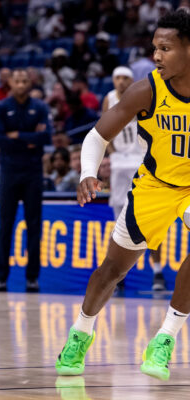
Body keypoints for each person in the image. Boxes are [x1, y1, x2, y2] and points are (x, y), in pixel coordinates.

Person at [55, 10, 190, 382]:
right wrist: (86, 173)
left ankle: (165, 338)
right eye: (154, 48)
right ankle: (80, 333)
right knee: (112, 270)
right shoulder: (148, 88)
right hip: (155, 186)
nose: (156, 56)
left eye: (165, 48)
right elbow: (97, 136)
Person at [0, 68, 53, 292]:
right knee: (5, 226)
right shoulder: (0, 107)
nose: (21, 84)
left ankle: (32, 278)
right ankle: (1, 278)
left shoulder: (40, 107)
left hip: (33, 172)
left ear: (30, 83)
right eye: (17, 80)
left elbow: (46, 137)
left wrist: (16, 135)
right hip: (9, 172)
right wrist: (29, 138)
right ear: (10, 82)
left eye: (24, 80)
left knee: (34, 226)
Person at [105, 65, 166, 291]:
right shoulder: (109, 99)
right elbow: (103, 130)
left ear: (132, 80)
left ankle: (157, 272)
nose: (121, 81)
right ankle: (118, 276)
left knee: (150, 222)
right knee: (119, 220)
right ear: (113, 80)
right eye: (117, 77)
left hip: (142, 161)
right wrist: (112, 155)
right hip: (120, 164)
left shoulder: (144, 96)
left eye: (125, 78)